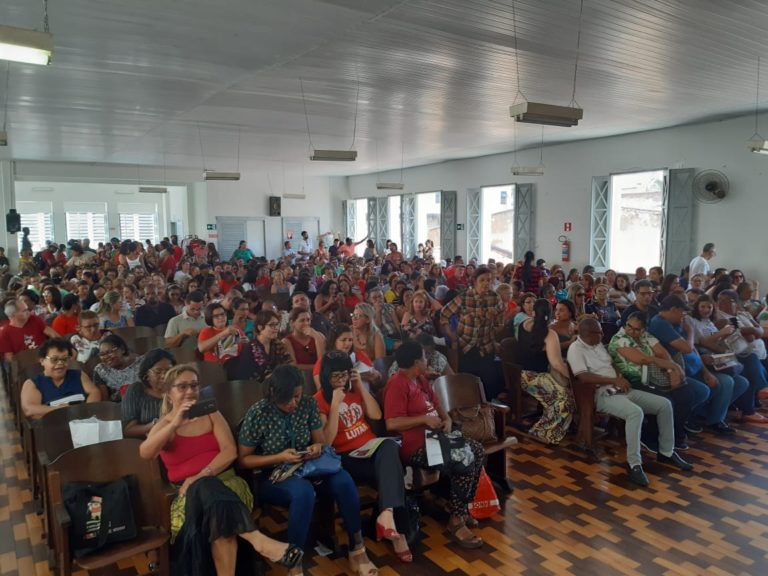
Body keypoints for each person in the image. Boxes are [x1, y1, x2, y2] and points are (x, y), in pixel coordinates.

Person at [140, 364, 302, 576]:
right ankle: (258, 540)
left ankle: (256, 545)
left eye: (194, 385)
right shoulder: (165, 424)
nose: (190, 391)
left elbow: (230, 452)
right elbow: (146, 453)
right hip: (189, 497)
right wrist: (174, 423)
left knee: (214, 503)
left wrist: (198, 476)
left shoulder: (210, 412)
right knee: (212, 501)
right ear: (169, 394)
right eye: (182, 387)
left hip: (228, 484)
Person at [238, 365, 378, 576]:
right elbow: (244, 460)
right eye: (288, 399)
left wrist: (316, 448)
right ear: (274, 395)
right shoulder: (258, 412)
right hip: (276, 474)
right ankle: (294, 562)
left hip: (309, 467)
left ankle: (357, 548)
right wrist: (280, 457)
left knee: (344, 481)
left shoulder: (308, 403)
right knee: (303, 493)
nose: (294, 403)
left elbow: (320, 441)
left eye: (297, 396)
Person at [383, 341, 485, 549]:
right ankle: (456, 519)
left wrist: (446, 420)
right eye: (423, 356)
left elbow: (437, 404)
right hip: (416, 445)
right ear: (415, 362)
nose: (427, 359)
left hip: (436, 438)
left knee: (477, 450)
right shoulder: (397, 384)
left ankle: (460, 507)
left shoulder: (420, 379)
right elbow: (392, 422)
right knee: (463, 458)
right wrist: (423, 419)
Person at [567, 318, 692, 486]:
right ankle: (634, 464)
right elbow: (583, 377)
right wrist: (613, 381)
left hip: (620, 388)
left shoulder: (597, 344)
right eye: (599, 332)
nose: (603, 334)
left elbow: (611, 364)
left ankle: (666, 452)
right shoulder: (576, 349)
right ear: (587, 334)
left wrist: (619, 376)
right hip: (601, 393)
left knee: (664, 405)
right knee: (635, 413)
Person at [314, 351, 411, 562]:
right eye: (336, 376)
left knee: (388, 447)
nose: (341, 380)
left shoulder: (355, 390)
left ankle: (386, 513)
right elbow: (326, 442)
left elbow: (376, 415)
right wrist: (335, 405)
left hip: (370, 448)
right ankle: (397, 532)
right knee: (393, 467)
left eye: (345, 375)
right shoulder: (319, 400)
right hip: (346, 457)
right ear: (326, 376)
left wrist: (359, 387)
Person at [608, 312, 709, 450]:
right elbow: (641, 359)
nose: (630, 330)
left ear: (644, 329)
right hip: (635, 380)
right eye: (628, 326)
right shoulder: (619, 338)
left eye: (636, 329)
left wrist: (671, 372)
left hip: (656, 375)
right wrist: (673, 367)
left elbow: (663, 353)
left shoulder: (646, 336)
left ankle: (675, 434)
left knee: (686, 395)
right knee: (666, 399)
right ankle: (650, 436)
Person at [649, 295, 744, 436]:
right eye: (682, 312)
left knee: (729, 382)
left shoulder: (674, 322)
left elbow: (692, 350)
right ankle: (684, 418)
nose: (684, 315)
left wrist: (705, 372)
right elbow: (687, 347)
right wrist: (691, 331)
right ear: (674, 309)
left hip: (694, 366)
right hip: (675, 369)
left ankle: (711, 419)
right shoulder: (660, 323)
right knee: (703, 390)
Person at [439, 266, 505, 400]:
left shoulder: (495, 298)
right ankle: (470, 413)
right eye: (482, 280)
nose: (486, 283)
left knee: (488, 384)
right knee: (468, 383)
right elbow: (444, 314)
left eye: (489, 280)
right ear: (474, 281)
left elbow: (500, 323)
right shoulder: (464, 297)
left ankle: (487, 413)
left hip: (486, 346)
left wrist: (495, 324)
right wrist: (452, 336)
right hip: (466, 346)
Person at [517, 299, 575, 444]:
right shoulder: (549, 334)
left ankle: (549, 424)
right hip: (537, 376)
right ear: (550, 315)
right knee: (566, 398)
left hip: (520, 374)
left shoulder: (523, 325)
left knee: (563, 394)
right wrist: (574, 378)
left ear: (534, 312)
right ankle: (543, 431)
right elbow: (556, 363)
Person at [20, 338, 101, 418]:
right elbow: (29, 409)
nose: (60, 363)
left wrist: (85, 411)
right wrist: (60, 410)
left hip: (82, 422)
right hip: (51, 426)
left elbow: (95, 393)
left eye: (65, 359)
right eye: (54, 359)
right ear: (42, 361)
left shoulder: (79, 375)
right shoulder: (33, 383)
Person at [122, 349, 176, 438]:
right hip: (144, 443)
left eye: (169, 371)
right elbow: (128, 430)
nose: (164, 376)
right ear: (146, 373)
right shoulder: (136, 390)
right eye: (158, 371)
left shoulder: (180, 389)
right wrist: (155, 425)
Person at [225, 310, 290, 381]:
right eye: (271, 325)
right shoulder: (252, 347)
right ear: (260, 327)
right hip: (252, 386)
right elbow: (260, 375)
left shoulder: (277, 343)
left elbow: (289, 362)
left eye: (277, 324)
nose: (276, 328)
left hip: (274, 382)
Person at [313, 323, 381, 390]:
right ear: (334, 341)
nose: (348, 343)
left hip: (365, 396)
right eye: (344, 340)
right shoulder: (322, 362)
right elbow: (321, 389)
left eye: (350, 340)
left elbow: (378, 381)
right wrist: (356, 377)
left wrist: (376, 377)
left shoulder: (359, 355)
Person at [93, 333, 143, 401]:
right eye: (102, 354)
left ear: (122, 349)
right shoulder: (101, 370)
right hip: (118, 407)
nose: (106, 357)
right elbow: (105, 401)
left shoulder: (142, 363)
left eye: (110, 352)